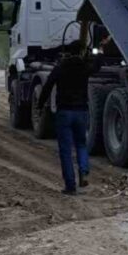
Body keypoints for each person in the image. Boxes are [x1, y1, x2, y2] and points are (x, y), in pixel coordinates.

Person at [37, 45, 95, 195]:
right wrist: (98, 52)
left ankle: (70, 186)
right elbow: (97, 66)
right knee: (81, 144)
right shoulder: (84, 67)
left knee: (66, 151)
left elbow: (48, 86)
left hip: (64, 112)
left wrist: (40, 104)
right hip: (81, 111)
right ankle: (83, 172)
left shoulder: (60, 68)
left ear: (66, 54)